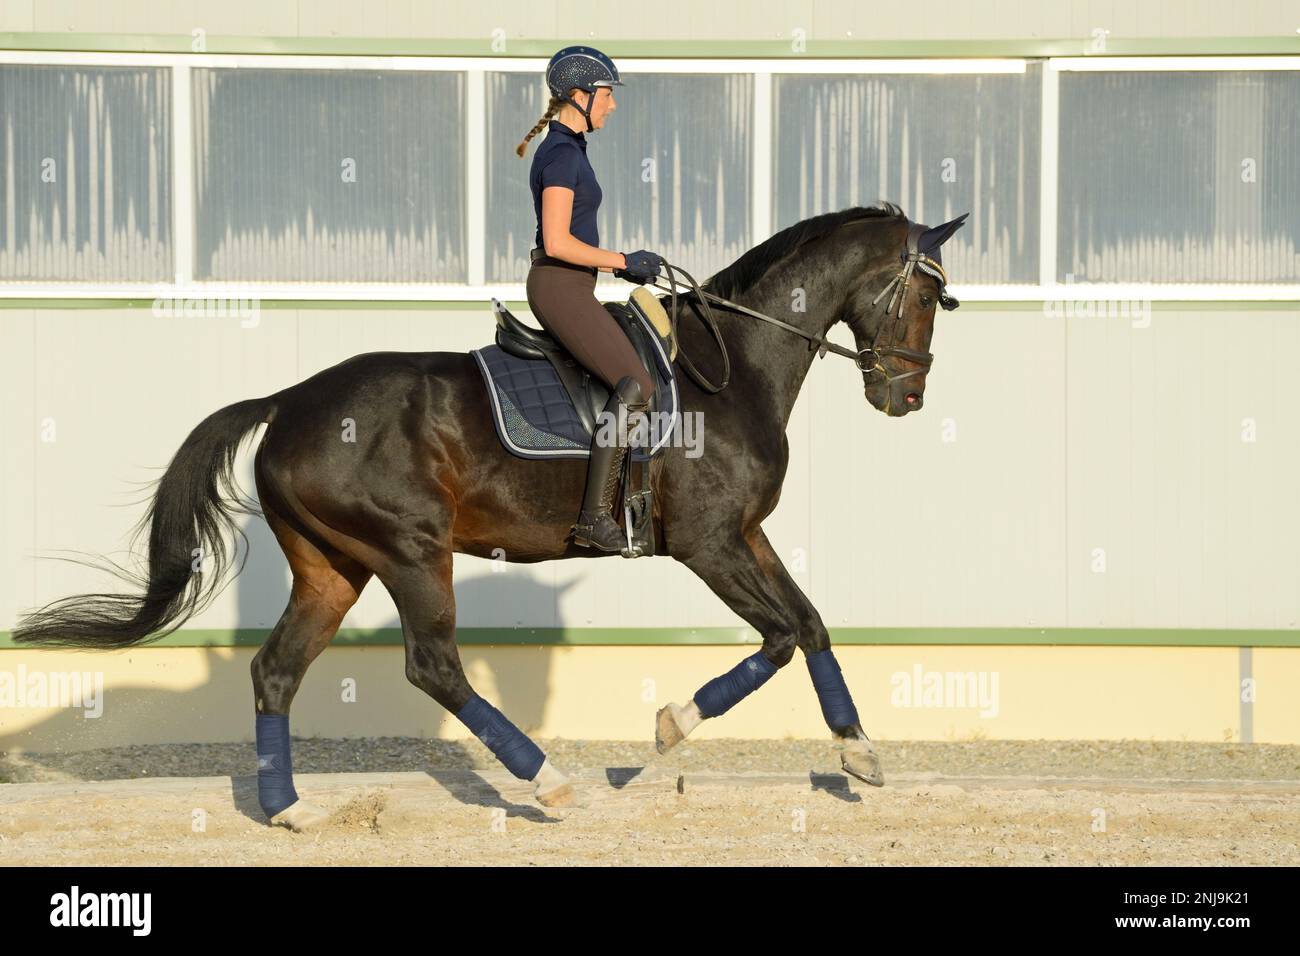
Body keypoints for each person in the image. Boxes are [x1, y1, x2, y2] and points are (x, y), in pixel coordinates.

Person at [516, 46, 665, 552]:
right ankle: (595, 517)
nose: (612, 105)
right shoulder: (560, 155)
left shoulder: (573, 150)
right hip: (559, 284)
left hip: (574, 284)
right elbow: (557, 242)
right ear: (579, 97)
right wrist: (623, 260)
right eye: (606, 95)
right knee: (637, 383)